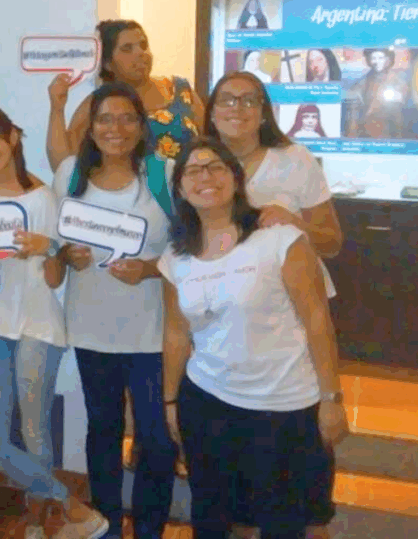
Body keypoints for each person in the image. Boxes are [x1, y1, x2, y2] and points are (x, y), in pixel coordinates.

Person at [158, 138, 349, 539]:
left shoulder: (279, 239)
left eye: (216, 167)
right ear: (180, 189)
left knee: (283, 524)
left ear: (236, 179)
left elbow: (317, 321)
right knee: (211, 519)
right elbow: (176, 333)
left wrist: (331, 398)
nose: (206, 177)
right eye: (193, 170)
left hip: (284, 406)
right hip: (207, 402)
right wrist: (170, 401)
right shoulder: (175, 257)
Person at [203, 72, 343, 539]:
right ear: (211, 110)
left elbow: (333, 241)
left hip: (297, 321)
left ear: (264, 111)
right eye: (227, 99)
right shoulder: (200, 164)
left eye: (250, 100)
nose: (237, 108)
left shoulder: (294, 160)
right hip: (233, 324)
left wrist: (292, 220)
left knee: (304, 461)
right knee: (244, 468)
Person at [0, 107, 108, 539]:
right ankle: (71, 505)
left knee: (35, 432)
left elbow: (56, 277)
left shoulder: (43, 199)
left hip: (36, 327)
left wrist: (48, 247)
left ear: (13, 137)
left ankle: (41, 523)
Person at [52, 83, 178, 539]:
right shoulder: (70, 174)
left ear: (142, 126)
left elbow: (190, 249)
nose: (115, 129)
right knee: (103, 430)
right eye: (105, 119)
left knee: (157, 439)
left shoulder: (164, 174)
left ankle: (149, 529)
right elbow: (57, 243)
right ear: (91, 127)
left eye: (127, 118)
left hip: (153, 332)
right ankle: (106, 526)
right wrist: (69, 256)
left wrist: (150, 268)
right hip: (92, 329)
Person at [47, 19, 205, 169]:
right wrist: (57, 108)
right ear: (108, 63)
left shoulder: (181, 91)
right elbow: (62, 164)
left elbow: (209, 144)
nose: (141, 53)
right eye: (127, 48)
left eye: (143, 45)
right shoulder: (99, 102)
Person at [342, 48, 410, 139]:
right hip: (367, 132)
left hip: (391, 132)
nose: (377, 62)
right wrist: (351, 137)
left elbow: (403, 112)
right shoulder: (361, 83)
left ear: (388, 59)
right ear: (368, 60)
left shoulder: (398, 82)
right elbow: (353, 114)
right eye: (373, 58)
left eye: (381, 58)